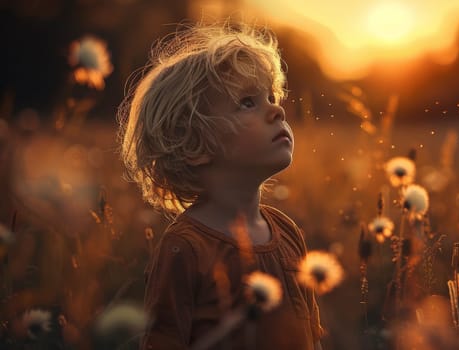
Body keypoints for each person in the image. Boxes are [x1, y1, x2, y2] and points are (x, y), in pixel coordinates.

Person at [118, 22, 323, 350]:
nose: (277, 110)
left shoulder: (287, 233)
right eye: (247, 102)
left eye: (271, 96)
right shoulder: (184, 249)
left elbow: (311, 335)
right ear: (194, 143)